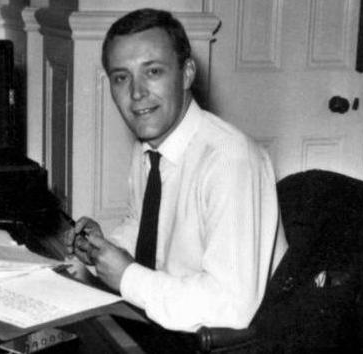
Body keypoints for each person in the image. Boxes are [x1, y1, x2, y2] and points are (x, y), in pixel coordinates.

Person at [65, 8, 288, 337]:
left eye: (153, 71)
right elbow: (146, 226)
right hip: (165, 321)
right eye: (121, 77)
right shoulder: (151, 144)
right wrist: (103, 247)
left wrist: (126, 276)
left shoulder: (230, 160)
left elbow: (231, 306)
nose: (137, 93)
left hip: (218, 341)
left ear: (186, 74)